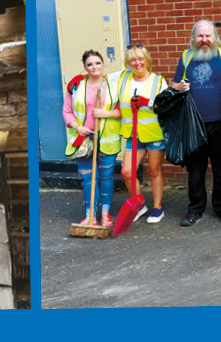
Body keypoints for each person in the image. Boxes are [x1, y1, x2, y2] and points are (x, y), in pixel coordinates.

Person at [168, 19, 221, 226]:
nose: (204, 40)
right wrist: (179, 86)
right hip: (193, 124)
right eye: (200, 36)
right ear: (193, 38)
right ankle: (195, 209)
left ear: (215, 37)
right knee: (195, 171)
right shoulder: (186, 57)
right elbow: (174, 83)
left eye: (208, 36)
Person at [107, 44, 168, 223]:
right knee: (127, 172)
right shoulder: (123, 77)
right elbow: (101, 77)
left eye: (140, 58)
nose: (137, 62)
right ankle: (139, 205)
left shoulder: (158, 81)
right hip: (133, 134)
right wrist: (82, 77)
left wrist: (147, 102)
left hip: (153, 133)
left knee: (154, 170)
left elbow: (165, 106)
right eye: (133, 59)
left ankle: (157, 208)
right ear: (128, 62)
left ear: (147, 60)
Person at [63, 50, 120, 227]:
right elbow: (67, 111)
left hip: (107, 140)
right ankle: (90, 216)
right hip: (84, 140)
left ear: (103, 64)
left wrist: (106, 113)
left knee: (106, 177)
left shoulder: (114, 85)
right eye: (90, 64)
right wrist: (78, 127)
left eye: (97, 63)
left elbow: (122, 112)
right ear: (85, 67)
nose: (94, 67)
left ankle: (105, 214)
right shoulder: (76, 86)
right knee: (88, 179)